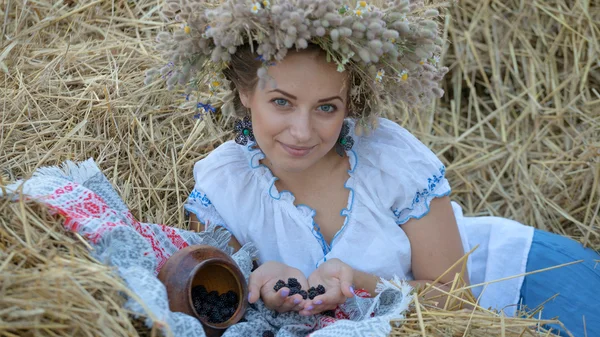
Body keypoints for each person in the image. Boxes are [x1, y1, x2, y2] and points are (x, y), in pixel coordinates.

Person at [149, 0, 600, 335]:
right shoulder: (222, 185)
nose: (302, 131)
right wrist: (264, 280)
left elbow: (456, 299)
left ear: (350, 104)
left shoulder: (389, 160)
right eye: (282, 102)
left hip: (523, 284)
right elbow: (225, 287)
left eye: (326, 107)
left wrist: (359, 282)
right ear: (245, 93)